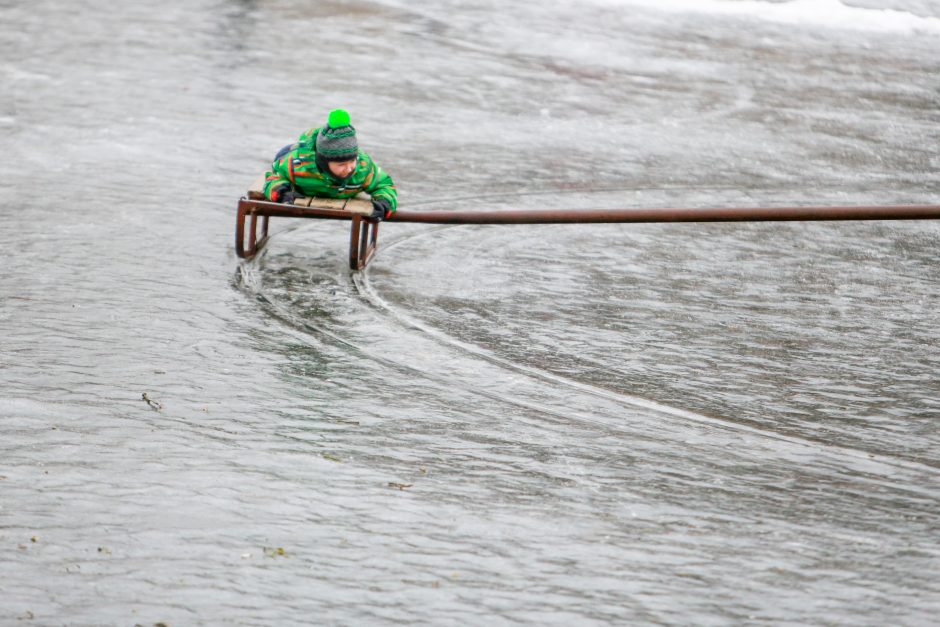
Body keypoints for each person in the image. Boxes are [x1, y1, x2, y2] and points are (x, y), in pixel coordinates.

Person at [263, 109, 397, 220]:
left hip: (333, 178)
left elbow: (384, 184)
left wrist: (384, 204)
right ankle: (312, 140)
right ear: (325, 163)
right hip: (293, 152)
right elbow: (273, 177)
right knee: (285, 156)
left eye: (352, 161)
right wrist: (282, 192)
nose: (349, 168)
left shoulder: (362, 167)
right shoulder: (298, 166)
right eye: (342, 164)